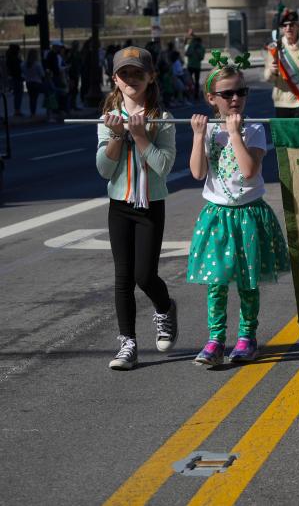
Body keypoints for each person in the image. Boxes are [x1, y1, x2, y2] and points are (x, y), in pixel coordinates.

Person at [187, 61, 289, 366]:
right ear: (211, 98)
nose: (235, 99)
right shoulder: (209, 131)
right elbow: (197, 172)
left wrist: (235, 135)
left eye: (240, 92)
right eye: (227, 93)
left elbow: (248, 171)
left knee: (248, 281)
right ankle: (215, 339)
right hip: (218, 215)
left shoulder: (254, 128)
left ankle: (247, 337)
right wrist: (197, 137)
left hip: (248, 215)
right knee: (216, 282)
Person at [96, 47, 178, 370]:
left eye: (137, 73)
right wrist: (117, 136)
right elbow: (104, 169)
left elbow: (164, 167)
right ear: (115, 79)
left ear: (150, 76)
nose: (131, 79)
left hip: (150, 206)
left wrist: (141, 136)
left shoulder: (163, 119)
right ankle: (127, 343)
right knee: (123, 277)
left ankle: (165, 307)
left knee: (145, 275)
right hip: (120, 205)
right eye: (124, 73)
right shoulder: (108, 117)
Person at [185, 30, 205, 101]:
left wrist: (197, 52)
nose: (196, 43)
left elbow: (201, 58)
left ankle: (196, 95)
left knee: (196, 81)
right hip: (190, 65)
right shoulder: (191, 45)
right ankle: (188, 94)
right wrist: (191, 52)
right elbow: (186, 54)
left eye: (197, 42)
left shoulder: (202, 48)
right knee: (188, 81)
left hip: (197, 66)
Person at [5, 44, 23, 116]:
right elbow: (17, 69)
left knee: (17, 94)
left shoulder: (9, 57)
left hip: (13, 77)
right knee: (18, 94)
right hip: (17, 77)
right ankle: (17, 110)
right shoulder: (15, 59)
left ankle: (17, 110)